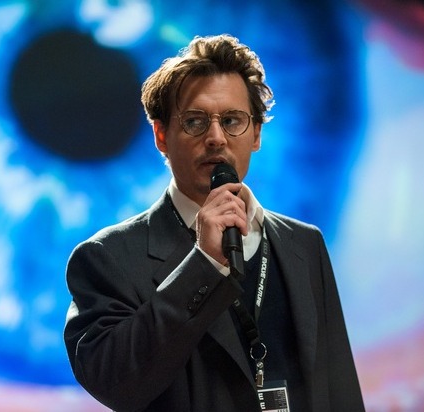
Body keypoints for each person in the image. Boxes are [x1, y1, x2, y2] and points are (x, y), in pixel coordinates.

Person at [64, 34, 365, 411]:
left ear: (256, 133)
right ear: (161, 135)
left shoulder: (304, 243)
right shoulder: (107, 258)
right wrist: (203, 263)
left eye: (233, 120)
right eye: (195, 121)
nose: (216, 138)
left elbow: (339, 390)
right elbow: (116, 385)